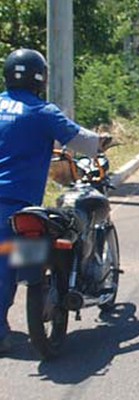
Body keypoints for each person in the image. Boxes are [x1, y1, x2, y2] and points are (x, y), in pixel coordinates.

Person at [0, 48, 111, 355]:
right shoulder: (42, 111)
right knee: (8, 262)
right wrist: (101, 141)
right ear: (41, 79)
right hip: (16, 204)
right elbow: (82, 141)